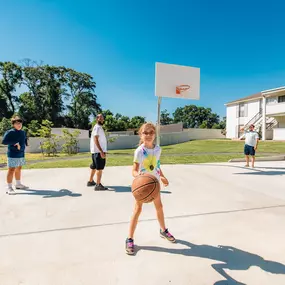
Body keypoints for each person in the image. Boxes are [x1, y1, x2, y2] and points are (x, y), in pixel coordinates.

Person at [125, 122, 176, 255]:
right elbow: (134, 170)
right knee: (137, 210)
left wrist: (163, 176)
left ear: (155, 135)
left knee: (159, 207)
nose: (148, 135)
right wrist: (138, 176)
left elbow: (157, 165)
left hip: (154, 184)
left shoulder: (158, 149)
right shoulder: (139, 152)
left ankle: (163, 230)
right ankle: (129, 238)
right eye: (145, 133)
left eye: (151, 132)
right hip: (143, 186)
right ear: (141, 135)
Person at [2, 115, 29, 195]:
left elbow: (23, 139)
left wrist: (26, 144)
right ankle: (9, 188)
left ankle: (18, 184)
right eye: (17, 123)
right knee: (11, 170)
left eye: (20, 123)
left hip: (21, 153)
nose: (19, 125)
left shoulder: (23, 132)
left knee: (19, 168)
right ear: (13, 124)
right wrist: (14, 143)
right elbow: (4, 141)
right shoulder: (10, 132)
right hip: (13, 154)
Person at [87, 114, 108, 190]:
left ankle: (90, 181)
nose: (102, 119)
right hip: (98, 152)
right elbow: (95, 139)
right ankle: (98, 185)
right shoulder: (98, 127)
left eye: (103, 118)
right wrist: (101, 151)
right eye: (101, 118)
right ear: (97, 119)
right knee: (99, 168)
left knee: (94, 166)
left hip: (95, 151)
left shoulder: (98, 127)